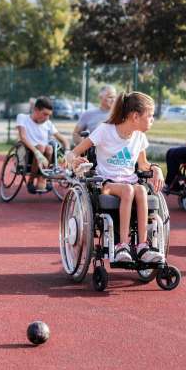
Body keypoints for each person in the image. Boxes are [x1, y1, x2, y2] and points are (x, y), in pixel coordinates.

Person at [68, 92, 166, 264]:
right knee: (129, 190)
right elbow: (74, 152)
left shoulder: (139, 137)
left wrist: (156, 169)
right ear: (135, 116)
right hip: (107, 183)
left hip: (130, 182)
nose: (152, 120)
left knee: (141, 189)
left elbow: (143, 164)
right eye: (149, 116)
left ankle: (143, 245)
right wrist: (75, 160)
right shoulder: (105, 130)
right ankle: (122, 245)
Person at [15, 96, 71, 192]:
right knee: (41, 147)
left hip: (45, 154)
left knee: (49, 148)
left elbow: (64, 140)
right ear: (36, 110)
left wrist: (67, 152)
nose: (47, 118)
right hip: (27, 151)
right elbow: (23, 137)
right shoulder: (22, 117)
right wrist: (36, 152)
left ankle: (43, 178)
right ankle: (31, 180)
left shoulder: (48, 123)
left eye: (49, 115)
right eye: (44, 114)